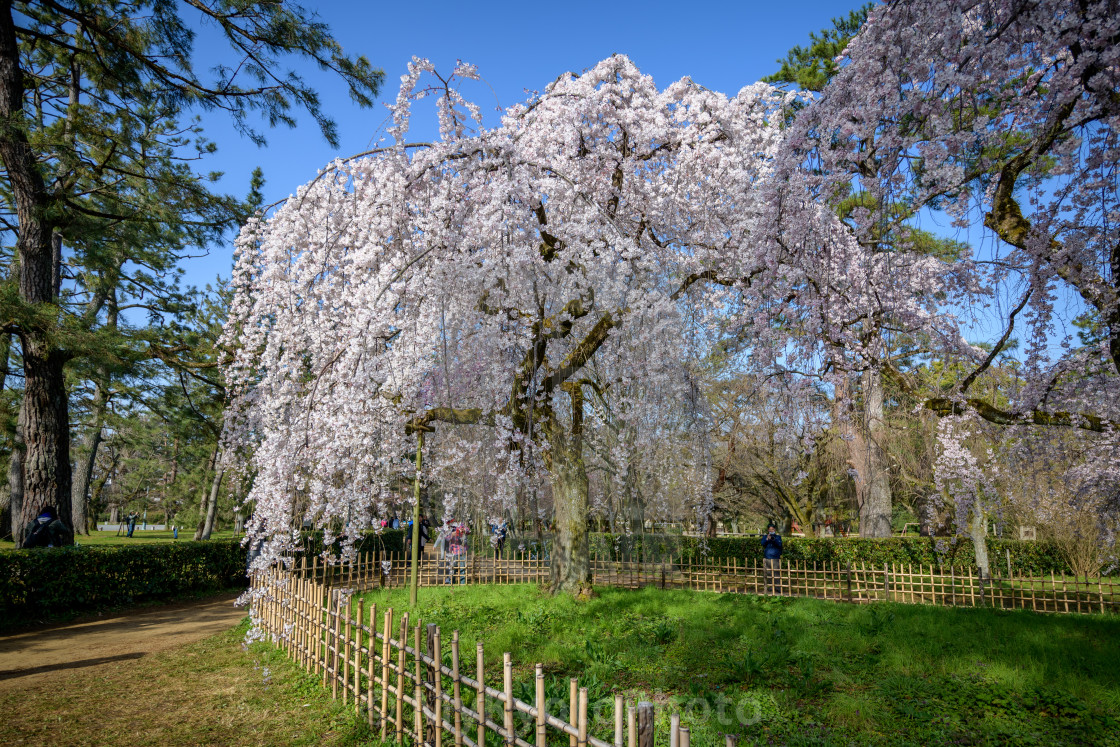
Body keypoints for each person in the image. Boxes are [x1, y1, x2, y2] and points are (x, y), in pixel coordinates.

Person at [444, 520, 469, 585]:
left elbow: (468, 531)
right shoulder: (449, 527)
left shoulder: (461, 524)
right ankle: (451, 583)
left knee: (462, 569)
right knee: (452, 569)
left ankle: (463, 584)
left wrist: (463, 530)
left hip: (462, 551)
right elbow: (446, 538)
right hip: (453, 551)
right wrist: (452, 534)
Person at [761, 524, 783, 595]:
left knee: (776, 573)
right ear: (768, 530)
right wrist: (767, 539)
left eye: (772, 529)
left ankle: (778, 587)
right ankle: (770, 587)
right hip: (767, 557)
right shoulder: (765, 537)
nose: (771, 531)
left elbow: (779, 545)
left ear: (775, 530)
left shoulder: (778, 537)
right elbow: (762, 544)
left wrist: (774, 540)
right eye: (770, 530)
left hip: (776, 557)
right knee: (769, 573)